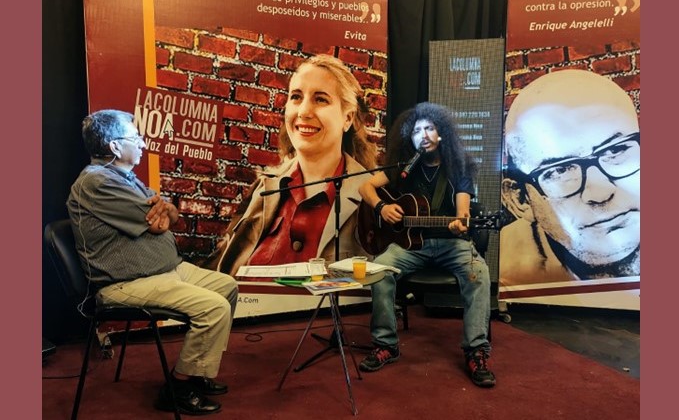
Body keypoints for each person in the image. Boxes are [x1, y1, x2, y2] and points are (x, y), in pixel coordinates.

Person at [66, 109, 239, 416]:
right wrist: (164, 212)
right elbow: (157, 223)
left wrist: (166, 208)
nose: (143, 143)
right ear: (115, 146)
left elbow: (170, 215)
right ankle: (176, 388)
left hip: (166, 271)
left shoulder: (124, 177)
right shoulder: (96, 182)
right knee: (214, 308)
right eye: (136, 138)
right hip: (126, 283)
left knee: (226, 286)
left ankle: (198, 369)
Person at [358, 102, 495, 388]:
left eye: (430, 128)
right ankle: (386, 344)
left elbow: (463, 209)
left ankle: (476, 351)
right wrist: (382, 207)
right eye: (417, 130)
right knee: (379, 270)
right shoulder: (404, 167)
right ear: (409, 137)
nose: (423, 135)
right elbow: (365, 187)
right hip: (411, 246)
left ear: (442, 132)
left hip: (450, 243)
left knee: (478, 273)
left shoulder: (459, 166)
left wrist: (460, 222)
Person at [213, 54, 377, 275]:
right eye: (296, 97)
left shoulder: (373, 198)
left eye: (321, 99)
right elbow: (222, 275)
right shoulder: (263, 188)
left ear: (347, 118)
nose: (304, 112)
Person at [500, 69, 640, 285]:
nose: (600, 194)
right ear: (519, 201)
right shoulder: (508, 270)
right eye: (560, 171)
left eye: (615, 150)